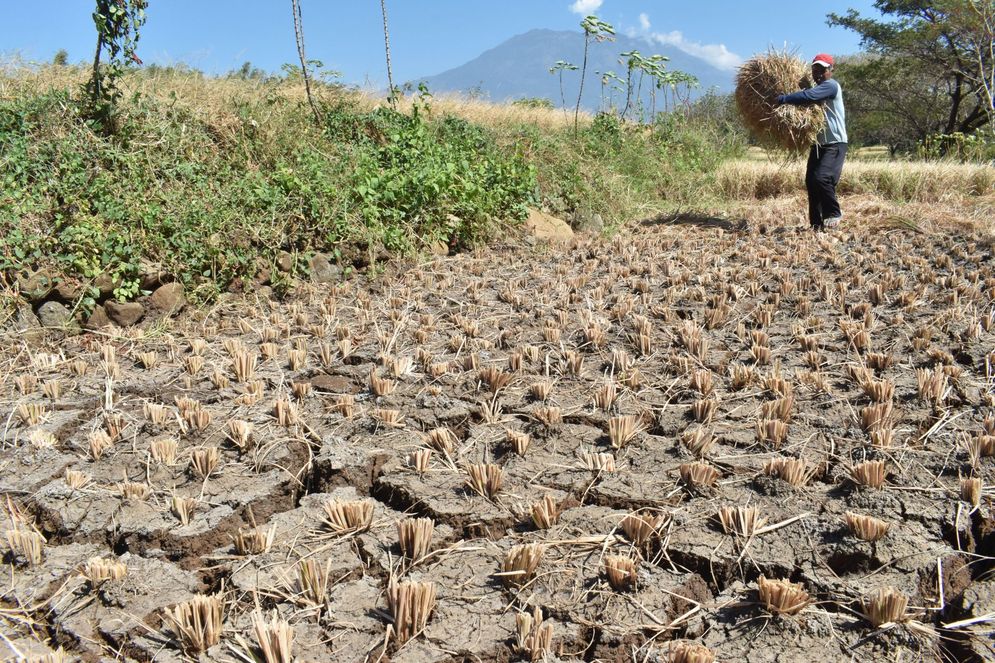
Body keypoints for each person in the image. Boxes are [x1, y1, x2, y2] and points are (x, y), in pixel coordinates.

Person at [776, 54, 848, 231]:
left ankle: (833, 213)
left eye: (822, 70)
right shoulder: (820, 89)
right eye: (815, 70)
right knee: (811, 181)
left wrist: (783, 99)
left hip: (835, 142)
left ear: (831, 70)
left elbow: (808, 95)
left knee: (822, 177)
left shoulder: (830, 86)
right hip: (818, 144)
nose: (818, 74)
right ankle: (816, 224)